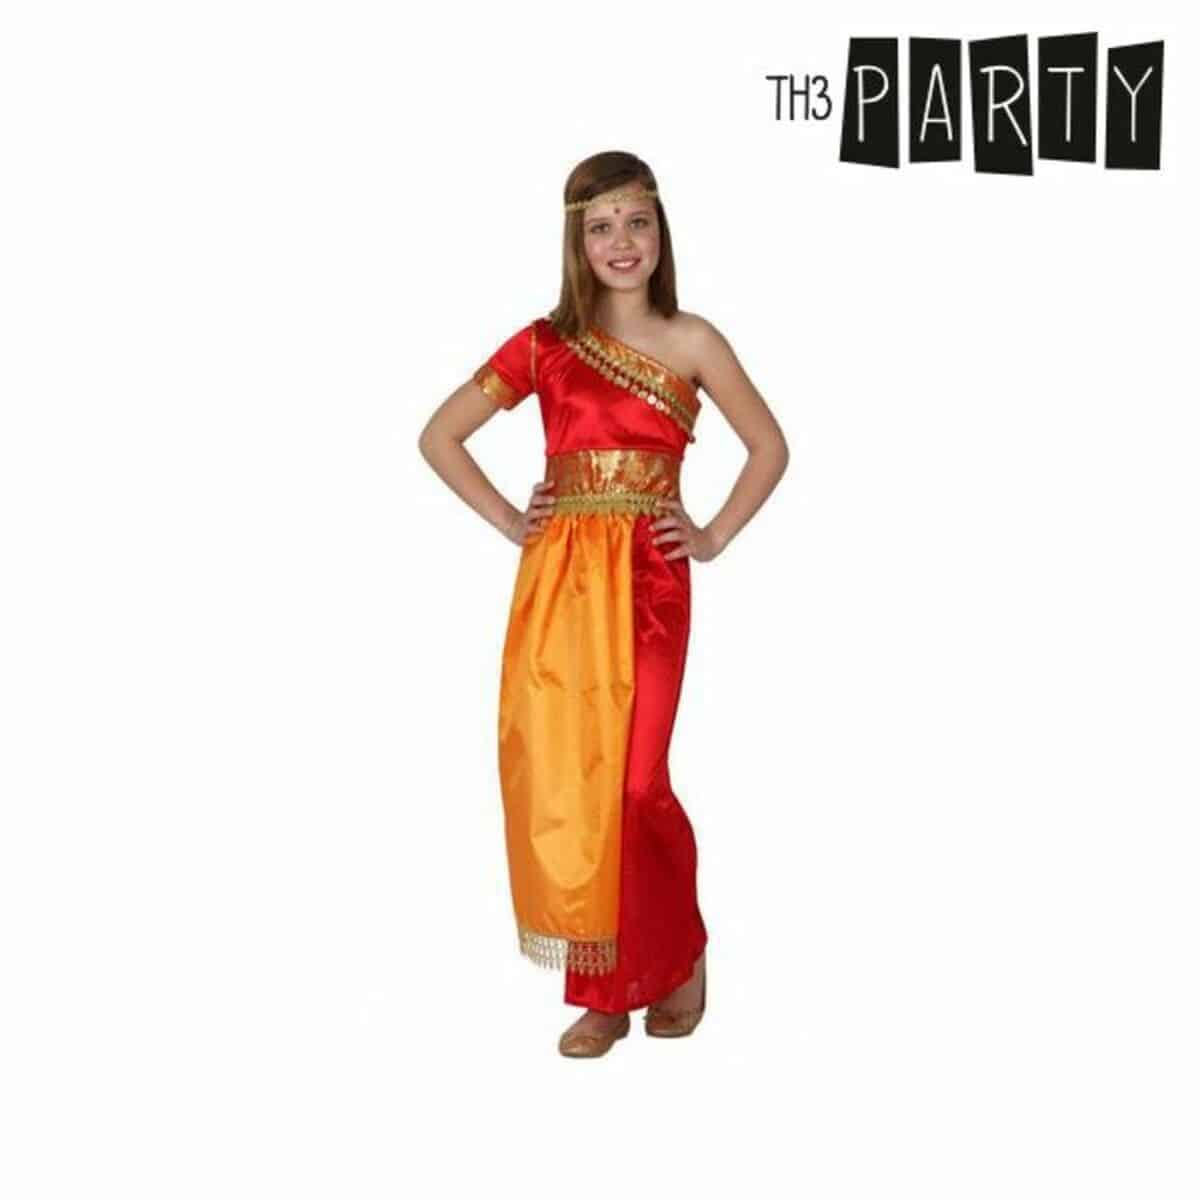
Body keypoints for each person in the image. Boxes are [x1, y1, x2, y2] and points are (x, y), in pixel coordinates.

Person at [418, 151, 788, 1057]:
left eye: (636, 222)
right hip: (561, 585)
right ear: (575, 242)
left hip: (651, 581)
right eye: (600, 227)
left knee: (636, 782)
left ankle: (677, 958)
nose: (621, 243)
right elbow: (440, 435)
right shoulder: (543, 344)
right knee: (577, 784)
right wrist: (513, 520)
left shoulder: (693, 340)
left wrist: (711, 534)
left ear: (661, 232)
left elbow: (770, 447)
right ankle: (606, 996)